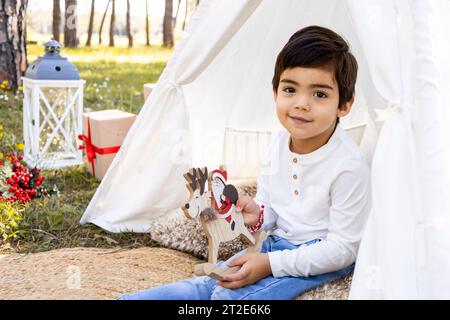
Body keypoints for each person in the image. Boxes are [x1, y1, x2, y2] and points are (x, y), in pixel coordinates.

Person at [118, 25, 371, 300]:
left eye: (319, 94)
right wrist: (257, 214)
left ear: (344, 105)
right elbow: (271, 208)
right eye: (290, 89)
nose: (301, 104)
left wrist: (271, 265)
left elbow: (344, 248)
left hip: (320, 256)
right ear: (275, 92)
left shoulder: (349, 166)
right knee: (209, 283)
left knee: (228, 297)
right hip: (275, 244)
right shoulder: (276, 144)